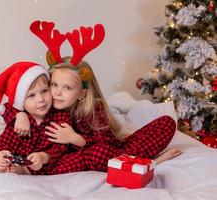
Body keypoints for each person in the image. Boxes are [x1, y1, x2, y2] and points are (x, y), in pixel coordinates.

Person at [12, 21, 181, 174]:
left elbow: (105, 143)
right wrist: (19, 115)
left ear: (82, 94)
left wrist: (76, 139)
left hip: (107, 150)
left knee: (167, 122)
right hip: (74, 156)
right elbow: (14, 104)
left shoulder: (93, 107)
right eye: (54, 85)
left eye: (67, 88)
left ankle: (138, 163)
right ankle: (139, 164)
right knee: (87, 157)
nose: (57, 93)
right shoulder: (45, 102)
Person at [0, 61, 72, 174]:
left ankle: (26, 170)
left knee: (74, 159)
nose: (41, 99)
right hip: (8, 154)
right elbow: (6, 110)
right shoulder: (17, 111)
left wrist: (44, 157)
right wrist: (20, 116)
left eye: (44, 91)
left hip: (39, 163)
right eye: (31, 95)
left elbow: (60, 147)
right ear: (21, 100)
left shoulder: (61, 116)